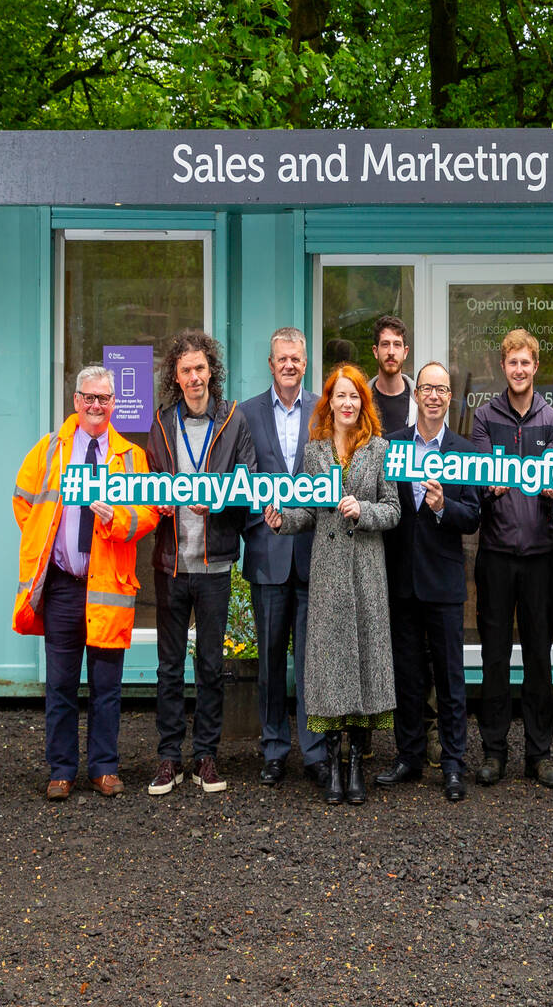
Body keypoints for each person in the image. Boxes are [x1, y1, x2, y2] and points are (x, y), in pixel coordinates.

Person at [11, 365, 159, 801]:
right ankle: (61, 771)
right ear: (76, 401)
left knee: (107, 686)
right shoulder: (51, 450)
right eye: (89, 398)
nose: (96, 406)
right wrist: (46, 541)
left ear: (114, 404)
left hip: (108, 584)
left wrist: (120, 519)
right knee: (59, 684)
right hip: (62, 585)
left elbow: (149, 513)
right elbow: (23, 502)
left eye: (104, 399)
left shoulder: (132, 456)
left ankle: (104, 768)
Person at [265, 364, 401, 805]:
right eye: (340, 396)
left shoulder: (379, 449)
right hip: (326, 575)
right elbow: (307, 513)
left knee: (363, 665)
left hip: (365, 572)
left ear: (364, 403)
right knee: (332, 669)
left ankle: (357, 764)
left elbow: (394, 511)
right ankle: (335, 763)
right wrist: (282, 521)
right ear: (329, 402)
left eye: (355, 396)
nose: (347, 403)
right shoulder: (315, 451)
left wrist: (363, 510)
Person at [145, 330, 256, 796]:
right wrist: (160, 504)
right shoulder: (160, 421)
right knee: (169, 667)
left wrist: (224, 502)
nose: (194, 377)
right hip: (170, 562)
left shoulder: (233, 421)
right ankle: (169, 756)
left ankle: (206, 756)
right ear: (176, 375)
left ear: (212, 371)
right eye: (186, 370)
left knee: (211, 665)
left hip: (214, 563)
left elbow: (248, 486)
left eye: (201, 368)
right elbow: (148, 482)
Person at [469, 328, 553, 788]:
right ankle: (493, 751)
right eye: (512, 363)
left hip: (539, 556)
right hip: (494, 554)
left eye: (526, 362)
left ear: (535, 366)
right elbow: (473, 480)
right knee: (493, 656)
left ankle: (540, 753)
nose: (520, 370)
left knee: (538, 658)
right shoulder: (484, 418)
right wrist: (487, 488)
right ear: (502, 367)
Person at [379, 362, 482, 801]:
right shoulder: (392, 446)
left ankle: (454, 763)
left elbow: (474, 514)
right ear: (415, 395)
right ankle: (410, 756)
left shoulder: (464, 451)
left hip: (443, 582)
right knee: (407, 675)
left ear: (449, 397)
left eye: (442, 389)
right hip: (402, 580)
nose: (435, 396)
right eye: (427, 389)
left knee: (450, 677)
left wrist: (442, 507)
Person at [239, 328, 325, 786]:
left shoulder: (323, 411)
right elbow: (239, 475)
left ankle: (313, 752)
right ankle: (273, 749)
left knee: (312, 661)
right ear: (270, 364)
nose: (289, 365)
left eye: (296, 358)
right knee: (271, 661)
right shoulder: (247, 413)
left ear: (305, 363)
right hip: (268, 553)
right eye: (281, 359)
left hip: (313, 552)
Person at [368, 315, 418, 441]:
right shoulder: (360, 399)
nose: (391, 352)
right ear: (375, 351)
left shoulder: (419, 400)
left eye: (397, 344)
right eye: (385, 344)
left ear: (405, 352)